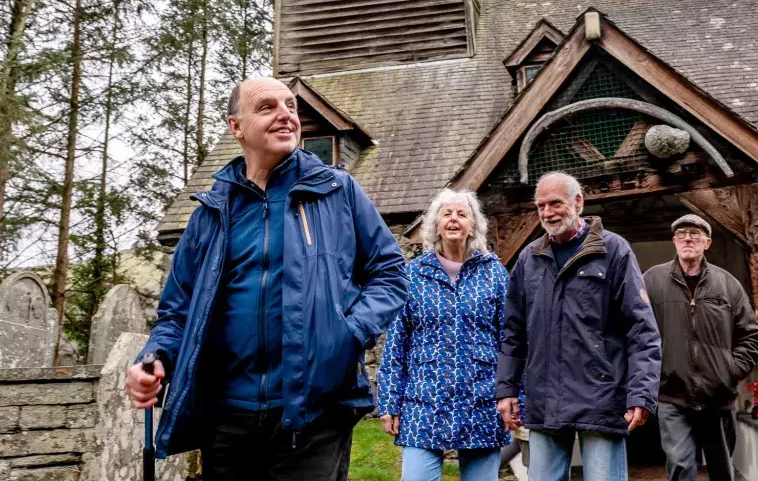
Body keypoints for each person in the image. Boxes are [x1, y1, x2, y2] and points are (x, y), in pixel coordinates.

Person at [125, 77, 408, 480]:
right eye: (267, 107)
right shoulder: (212, 211)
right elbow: (177, 311)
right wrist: (155, 357)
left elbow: (390, 272)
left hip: (315, 412)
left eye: (290, 106)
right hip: (227, 418)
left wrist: (347, 333)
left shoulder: (336, 191)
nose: (285, 116)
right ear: (236, 126)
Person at [496, 172, 661, 481]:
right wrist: (507, 389)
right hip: (545, 399)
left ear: (578, 202)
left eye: (555, 203)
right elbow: (514, 332)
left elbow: (642, 329)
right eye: (540, 206)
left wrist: (641, 393)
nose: (547, 213)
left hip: (601, 396)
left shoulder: (614, 251)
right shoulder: (529, 260)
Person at [376, 188, 511, 481]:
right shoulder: (412, 274)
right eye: (446, 214)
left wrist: (514, 395)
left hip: (481, 402)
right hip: (423, 404)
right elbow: (396, 344)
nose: (453, 219)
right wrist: (388, 403)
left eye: (462, 214)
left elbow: (509, 341)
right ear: (435, 225)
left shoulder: (494, 273)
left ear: (473, 226)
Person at [644, 214, 758, 481]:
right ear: (674, 241)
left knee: (722, 469)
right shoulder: (651, 280)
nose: (688, 238)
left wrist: (730, 369)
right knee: (681, 464)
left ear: (707, 243)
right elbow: (636, 331)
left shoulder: (727, 284)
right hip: (671, 393)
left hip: (718, 396)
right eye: (682, 233)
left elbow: (750, 336)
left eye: (695, 234)